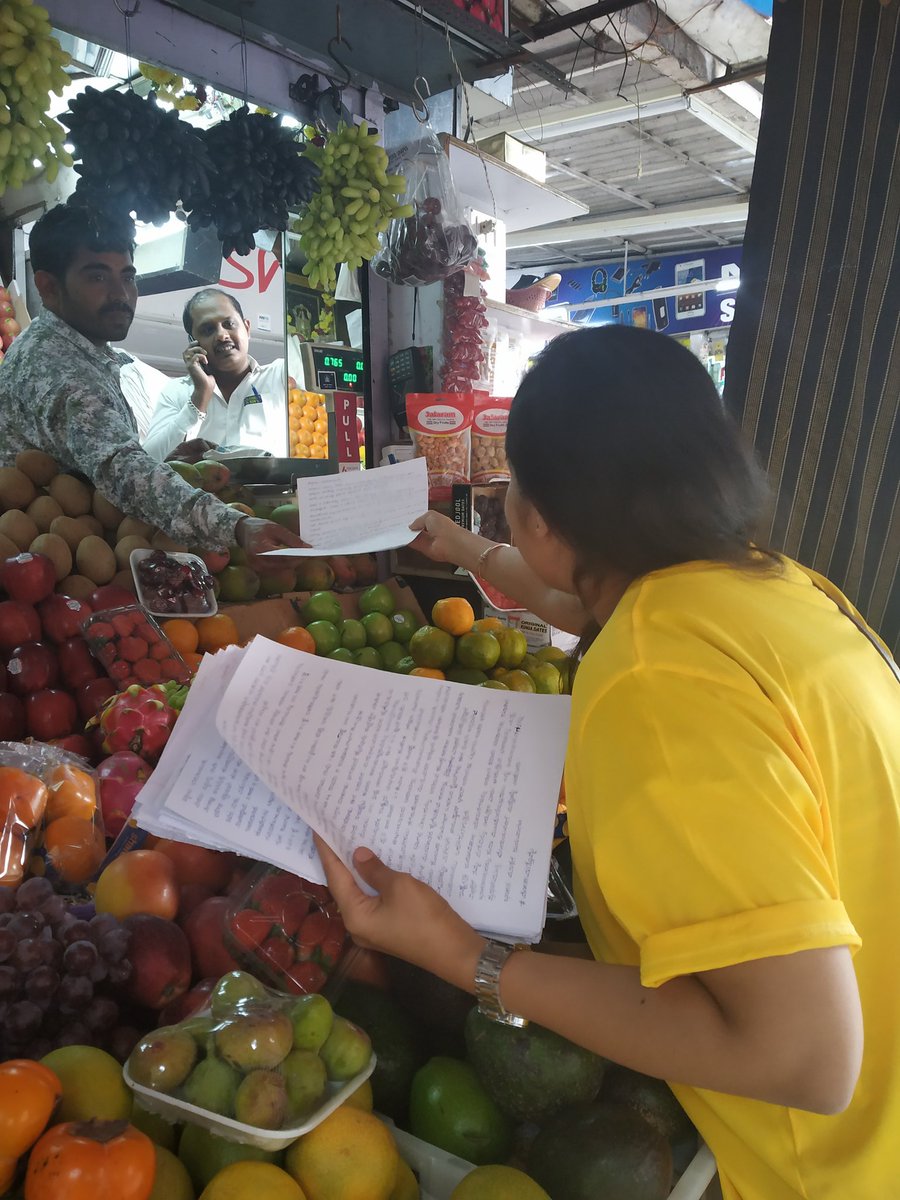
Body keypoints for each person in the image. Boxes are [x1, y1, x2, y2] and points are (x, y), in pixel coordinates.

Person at [314, 326, 900, 1200]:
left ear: (544, 518)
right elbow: (577, 597)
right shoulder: (770, 588)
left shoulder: (657, 682)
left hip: (831, 1170)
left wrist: (465, 957)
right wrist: (467, 550)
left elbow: (805, 1056)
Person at [0, 202, 301, 561]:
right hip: (40, 568)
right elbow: (121, 469)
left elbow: (100, 460)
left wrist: (163, 461)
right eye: (98, 277)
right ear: (49, 287)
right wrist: (235, 526)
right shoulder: (55, 364)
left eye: (127, 277)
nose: (120, 294)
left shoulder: (83, 354)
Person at [143, 288, 288, 461]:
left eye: (229, 324)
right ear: (193, 342)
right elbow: (149, 461)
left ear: (247, 328)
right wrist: (199, 397)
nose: (221, 335)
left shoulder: (280, 376)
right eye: (208, 330)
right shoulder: (177, 391)